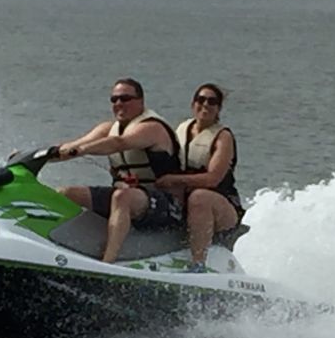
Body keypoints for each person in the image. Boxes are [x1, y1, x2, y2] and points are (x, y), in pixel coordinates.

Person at [54, 78, 184, 263]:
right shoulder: (108, 129)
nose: (119, 103)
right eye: (114, 99)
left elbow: (119, 143)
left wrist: (82, 150)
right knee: (65, 194)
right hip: (131, 197)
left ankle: (107, 262)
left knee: (122, 197)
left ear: (141, 101)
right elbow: (73, 145)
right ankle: (61, 248)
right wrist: (42, 156)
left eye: (125, 98)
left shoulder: (152, 128)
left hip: (169, 205)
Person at [155, 83, 243, 273]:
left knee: (199, 198)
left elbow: (212, 179)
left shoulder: (223, 137)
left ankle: (198, 264)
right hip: (186, 198)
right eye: (200, 100)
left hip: (223, 208)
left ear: (218, 108)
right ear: (193, 104)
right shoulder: (182, 129)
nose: (205, 105)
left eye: (212, 102)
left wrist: (175, 180)